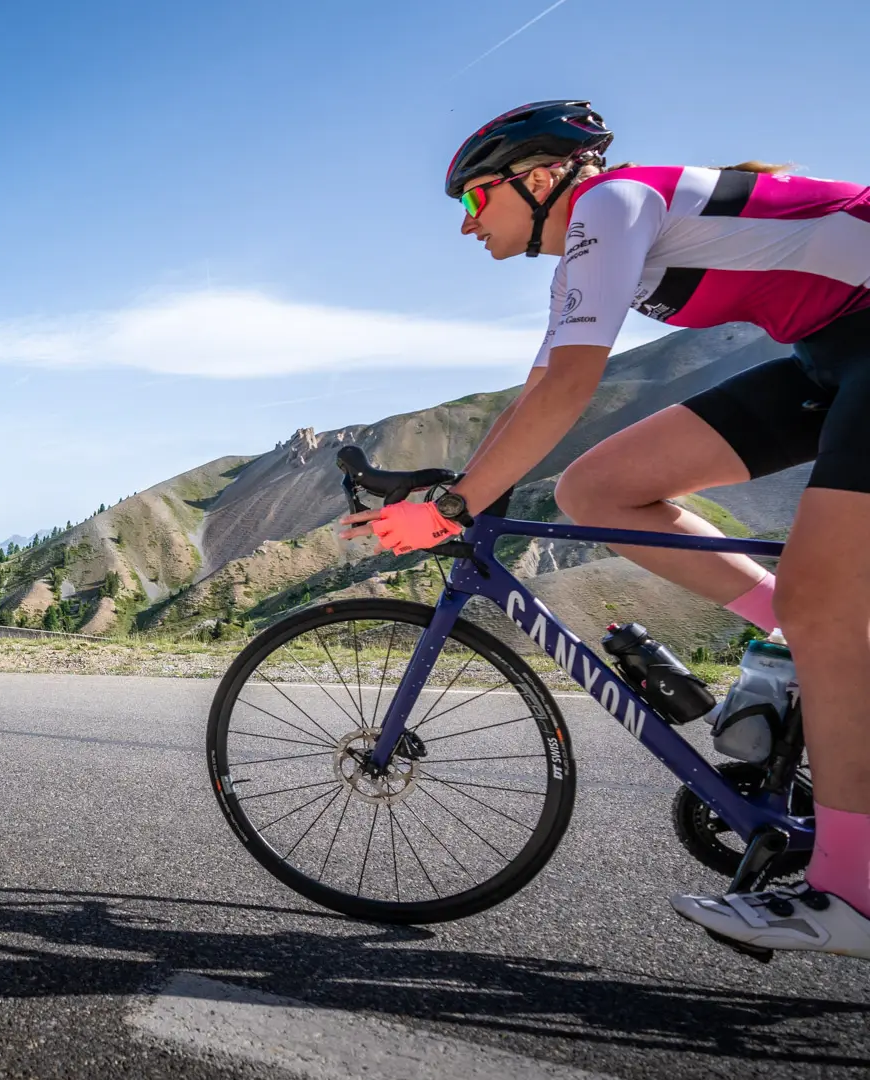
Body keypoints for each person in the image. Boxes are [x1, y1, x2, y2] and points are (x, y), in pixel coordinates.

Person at [343, 100, 870, 959]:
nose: (469, 225)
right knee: (599, 488)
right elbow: (536, 394)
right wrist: (455, 489)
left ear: (541, 177)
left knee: (827, 607)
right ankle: (788, 640)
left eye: (476, 200)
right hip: (832, 351)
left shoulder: (609, 206)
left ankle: (853, 894)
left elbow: (566, 392)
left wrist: (451, 510)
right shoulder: (587, 250)